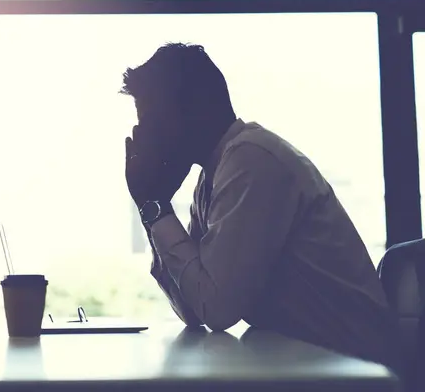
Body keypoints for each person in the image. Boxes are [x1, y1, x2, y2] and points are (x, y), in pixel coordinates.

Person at [122, 42, 400, 371]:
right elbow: (194, 309)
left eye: (153, 122)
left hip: (355, 371)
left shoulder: (252, 160)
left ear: (195, 110)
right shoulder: (212, 178)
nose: (146, 137)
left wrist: (155, 204)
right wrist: (153, 209)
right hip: (309, 363)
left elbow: (217, 311)